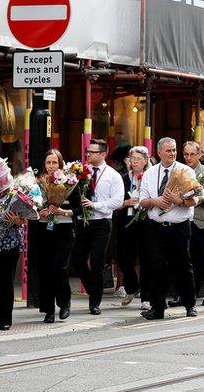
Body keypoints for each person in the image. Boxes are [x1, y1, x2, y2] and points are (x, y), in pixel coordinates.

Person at [138, 137, 199, 319]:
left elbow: (194, 200)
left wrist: (178, 200)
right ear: (159, 153)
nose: (172, 153)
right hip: (155, 227)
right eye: (168, 150)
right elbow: (142, 201)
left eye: (174, 150)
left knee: (183, 266)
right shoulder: (150, 173)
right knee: (156, 266)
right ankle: (157, 307)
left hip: (179, 227)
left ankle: (189, 304)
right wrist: (155, 201)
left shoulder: (185, 171)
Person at [71, 138, 124, 315]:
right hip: (83, 221)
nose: (88, 155)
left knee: (97, 262)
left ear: (103, 154)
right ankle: (94, 288)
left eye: (92, 152)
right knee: (77, 260)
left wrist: (97, 205)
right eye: (87, 151)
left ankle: (95, 302)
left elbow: (117, 201)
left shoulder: (112, 175)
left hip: (102, 222)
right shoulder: (80, 173)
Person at [36, 149, 74, 323]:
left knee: (59, 268)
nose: (51, 166)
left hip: (64, 230)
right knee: (46, 270)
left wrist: (62, 211)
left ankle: (64, 302)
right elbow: (30, 207)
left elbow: (79, 209)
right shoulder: (38, 182)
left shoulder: (70, 182)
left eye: (54, 163)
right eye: (48, 163)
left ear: (60, 164)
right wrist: (39, 212)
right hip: (44, 231)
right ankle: (49, 310)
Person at [184, 141, 204, 306]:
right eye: (186, 154)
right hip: (185, 221)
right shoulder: (179, 171)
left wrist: (201, 198)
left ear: (199, 155)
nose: (189, 158)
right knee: (187, 260)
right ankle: (188, 294)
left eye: (192, 154)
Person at [114, 146, 148, 307]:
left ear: (146, 161)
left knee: (145, 258)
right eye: (132, 159)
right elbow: (113, 202)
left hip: (144, 221)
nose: (134, 162)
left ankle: (146, 298)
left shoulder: (149, 177)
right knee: (121, 256)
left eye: (138, 159)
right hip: (124, 221)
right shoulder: (122, 178)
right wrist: (125, 203)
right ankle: (133, 286)